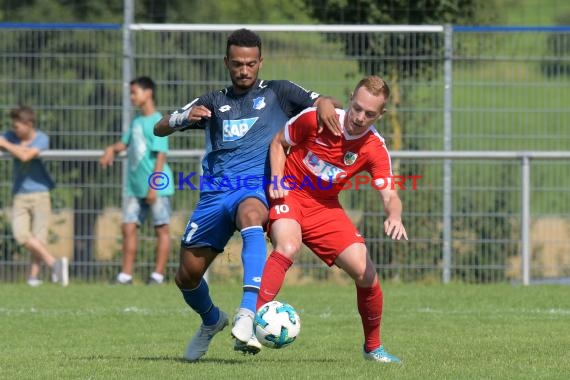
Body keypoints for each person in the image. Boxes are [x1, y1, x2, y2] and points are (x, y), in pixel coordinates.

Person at [154, 28, 341, 361]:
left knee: (253, 215)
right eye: (238, 64)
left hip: (255, 187)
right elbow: (160, 126)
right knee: (187, 275)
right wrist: (184, 117)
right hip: (213, 196)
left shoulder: (279, 93)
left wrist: (325, 103)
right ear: (226, 62)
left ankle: (246, 311)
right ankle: (212, 321)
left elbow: (322, 102)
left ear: (260, 62)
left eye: (251, 64)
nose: (244, 70)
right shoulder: (212, 101)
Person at [257, 75, 407, 363]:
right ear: (351, 98)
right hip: (291, 194)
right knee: (288, 246)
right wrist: (276, 180)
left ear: (381, 115)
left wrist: (395, 216)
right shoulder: (316, 118)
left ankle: (373, 348)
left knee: (366, 274)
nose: (360, 117)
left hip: (325, 208)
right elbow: (278, 142)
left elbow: (390, 194)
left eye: (370, 114)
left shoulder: (375, 147)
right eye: (358, 108)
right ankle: (254, 325)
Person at [100, 76, 174, 285]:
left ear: (148, 93)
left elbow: (161, 155)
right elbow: (124, 144)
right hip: (135, 186)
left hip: (157, 186)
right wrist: (110, 150)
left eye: (135, 92)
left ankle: (157, 275)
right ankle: (126, 275)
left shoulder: (159, 121)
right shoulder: (137, 121)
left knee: (162, 228)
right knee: (129, 227)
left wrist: (154, 186)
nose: (132, 97)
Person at [0, 105, 68, 287]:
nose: (14, 130)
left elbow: (26, 156)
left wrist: (7, 146)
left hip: (40, 193)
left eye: (17, 126)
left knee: (39, 238)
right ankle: (55, 264)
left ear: (29, 123)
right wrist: (13, 145)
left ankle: (33, 277)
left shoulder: (41, 138)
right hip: (20, 194)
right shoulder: (10, 136)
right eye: (13, 126)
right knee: (21, 235)